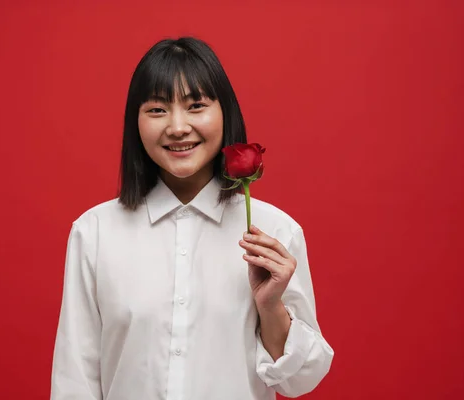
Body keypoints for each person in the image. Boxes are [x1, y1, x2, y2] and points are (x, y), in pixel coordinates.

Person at [50, 36, 334, 400]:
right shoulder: (95, 233)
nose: (178, 126)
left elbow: (300, 382)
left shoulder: (275, 232)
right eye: (157, 110)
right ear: (135, 122)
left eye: (196, 105)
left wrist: (270, 306)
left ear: (225, 113)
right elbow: (75, 379)